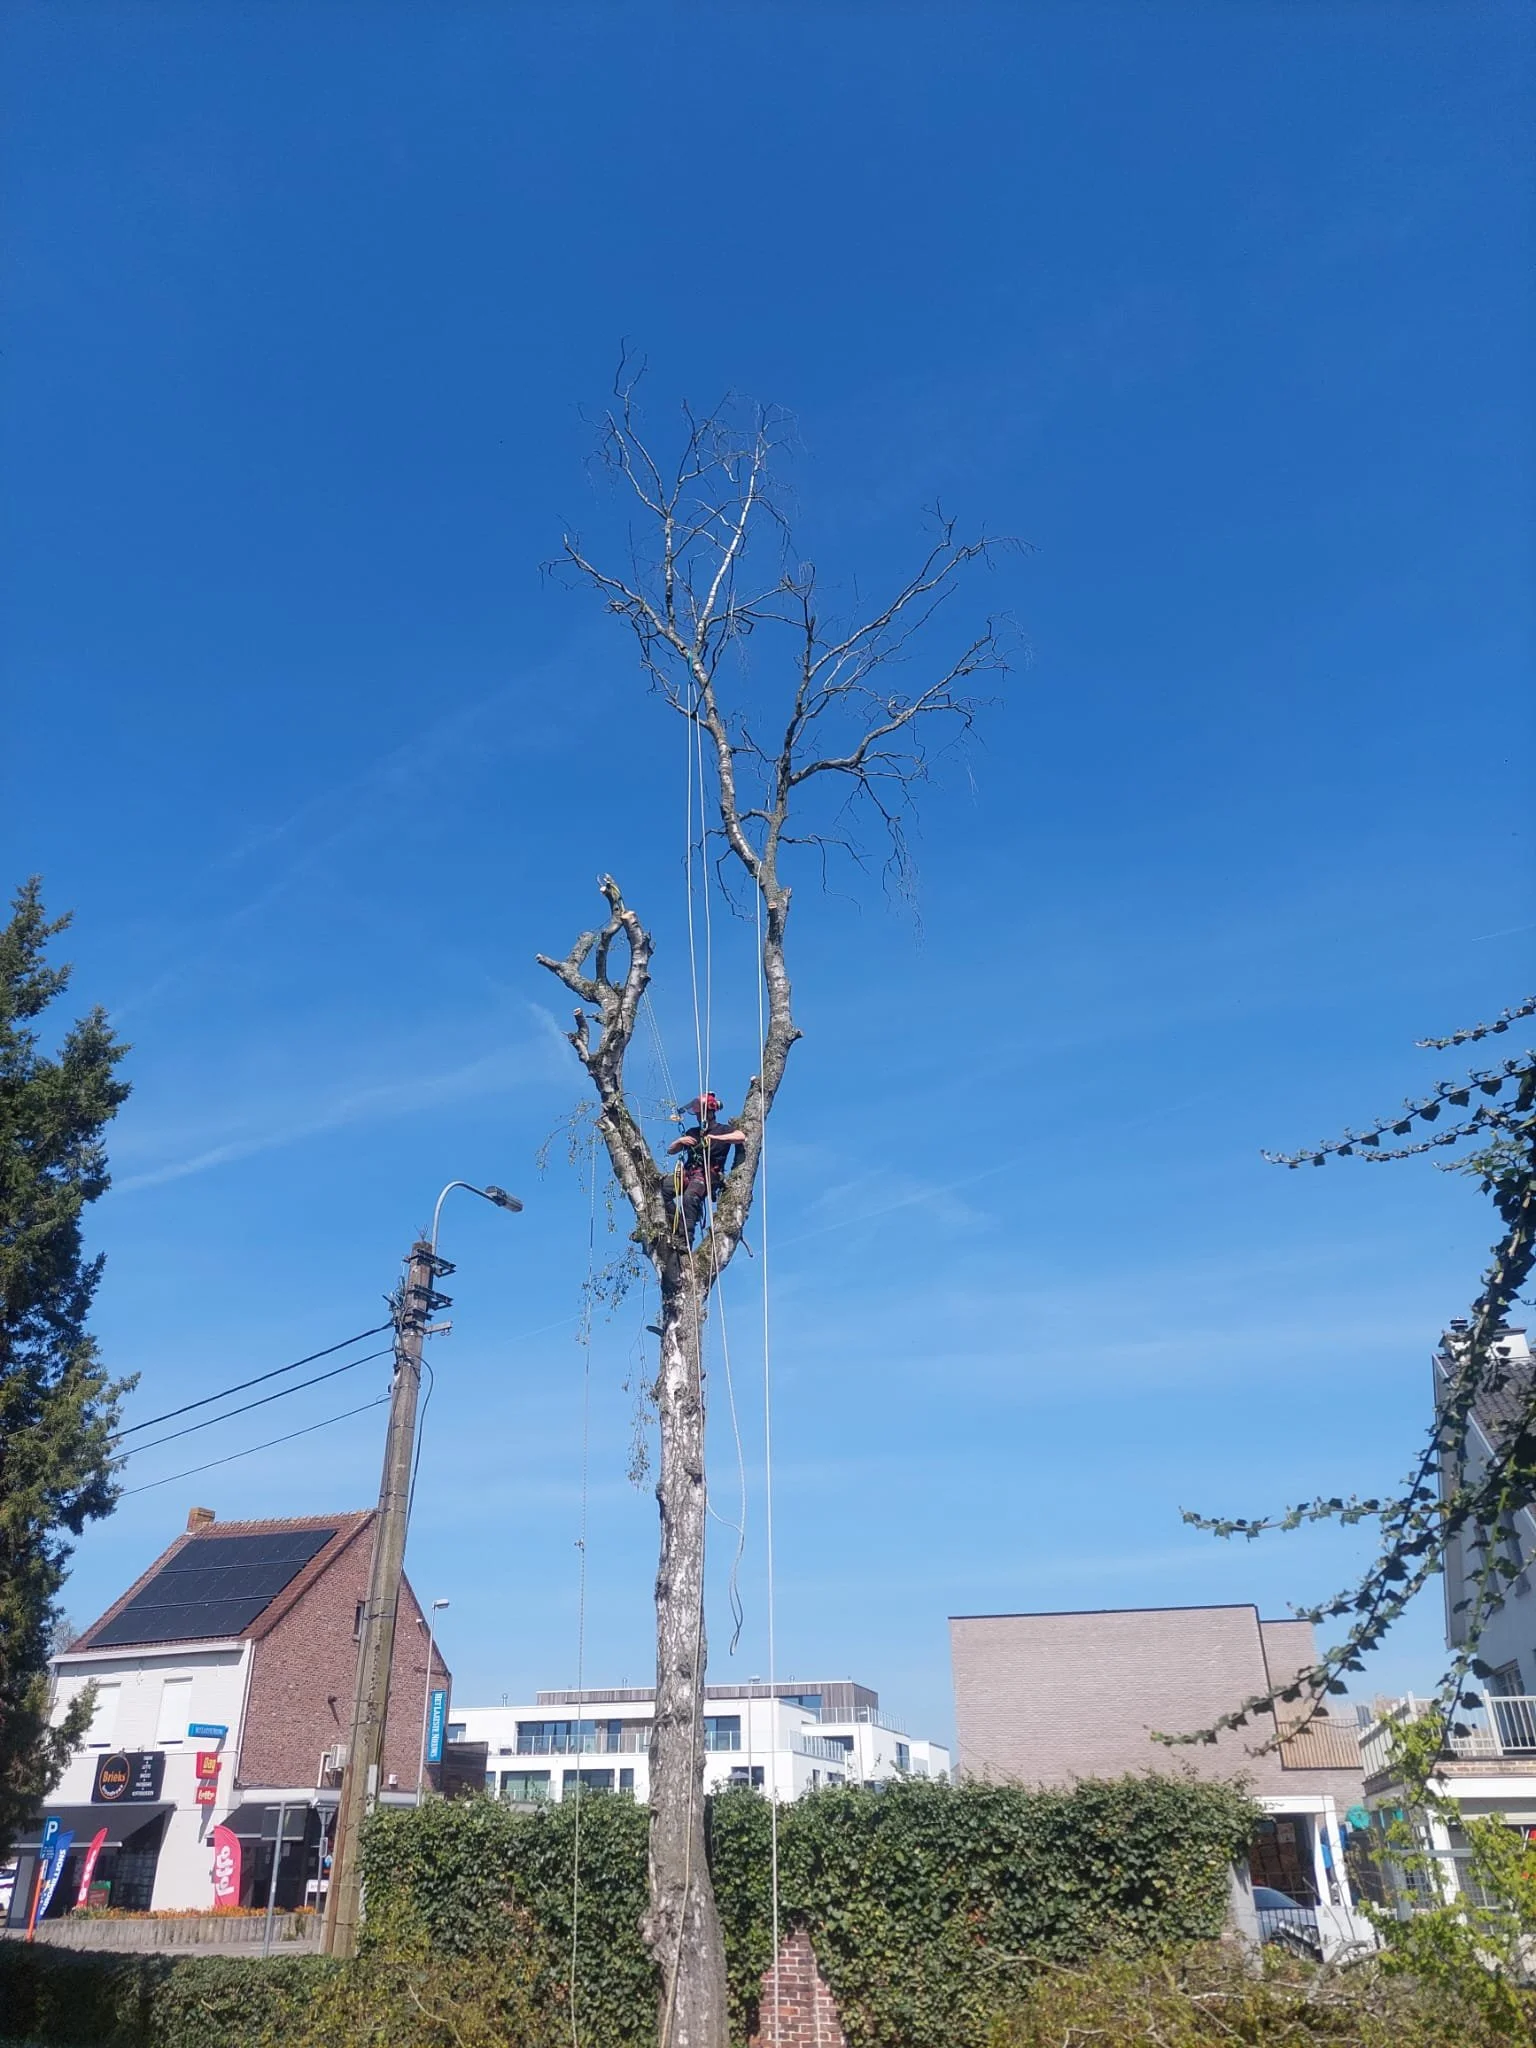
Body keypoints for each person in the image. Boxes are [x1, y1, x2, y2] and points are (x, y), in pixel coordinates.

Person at [666, 1093, 745, 1244]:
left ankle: (684, 1239)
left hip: (708, 1174)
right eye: (697, 1114)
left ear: (710, 1112)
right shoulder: (693, 1133)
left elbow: (741, 1136)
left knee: (689, 1197)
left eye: (700, 1114)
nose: (698, 1117)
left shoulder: (722, 1130)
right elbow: (671, 1150)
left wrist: (715, 1138)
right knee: (661, 1190)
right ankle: (677, 1223)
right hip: (689, 1172)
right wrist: (680, 1141)